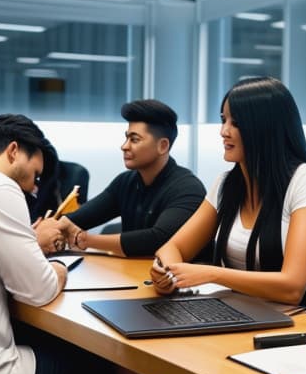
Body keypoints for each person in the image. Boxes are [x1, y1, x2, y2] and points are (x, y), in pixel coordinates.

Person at [117, 76, 306, 374]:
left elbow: (292, 286)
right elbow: (174, 246)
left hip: (299, 335)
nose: (223, 131)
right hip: (237, 321)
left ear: (264, 126)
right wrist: (166, 270)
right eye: (222, 120)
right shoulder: (228, 183)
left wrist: (211, 274)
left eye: (235, 122)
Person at [0, 113, 115, 374]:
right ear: (14, 151)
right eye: (35, 176)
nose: (34, 188)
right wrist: (59, 265)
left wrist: (28, 241)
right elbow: (39, 290)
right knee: (98, 369)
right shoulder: (2, 187)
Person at [57, 99, 209, 258]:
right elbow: (77, 219)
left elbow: (157, 240)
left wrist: (85, 240)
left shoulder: (188, 188)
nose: (124, 146)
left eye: (134, 139)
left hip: (180, 279)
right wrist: (55, 227)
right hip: (135, 273)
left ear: (163, 146)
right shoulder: (125, 182)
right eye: (126, 138)